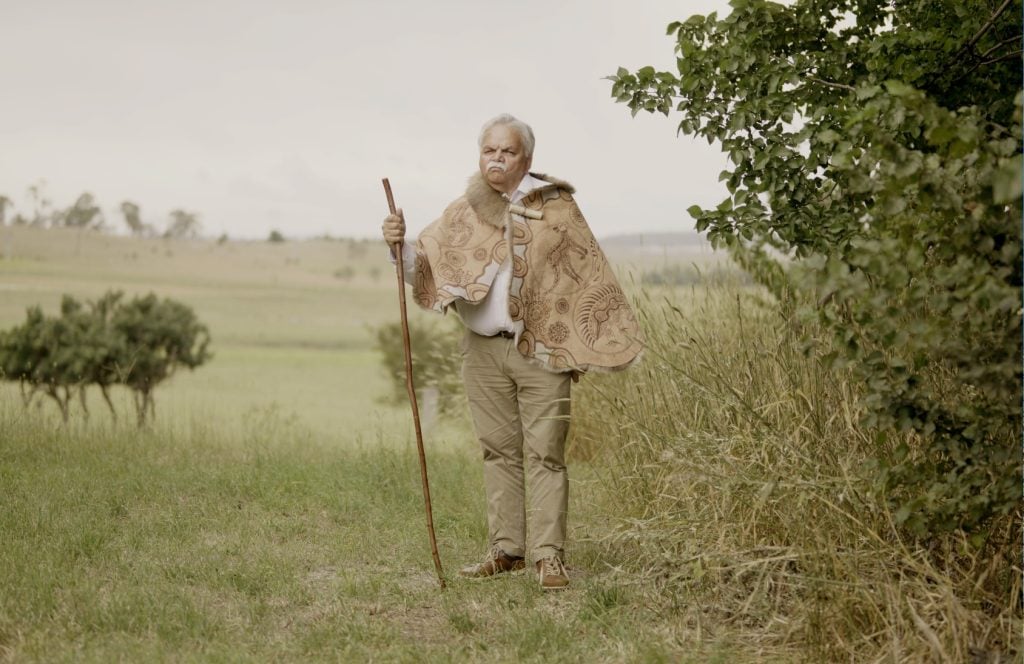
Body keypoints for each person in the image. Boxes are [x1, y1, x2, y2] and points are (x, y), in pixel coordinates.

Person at [381, 114, 642, 590]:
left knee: (546, 453)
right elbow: (427, 270)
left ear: (527, 160)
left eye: (507, 151)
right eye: (489, 151)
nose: (496, 158)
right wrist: (398, 249)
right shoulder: (464, 210)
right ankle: (507, 551)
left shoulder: (556, 209)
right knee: (497, 451)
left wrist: (583, 340)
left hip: (541, 351)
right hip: (481, 351)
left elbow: (586, 278)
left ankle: (548, 557)